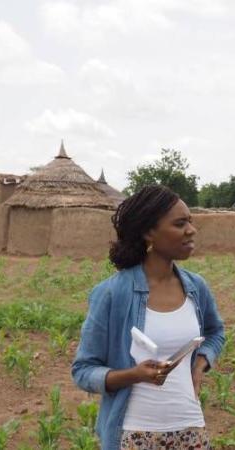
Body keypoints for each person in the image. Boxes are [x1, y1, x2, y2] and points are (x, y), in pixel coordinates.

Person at [72, 185, 225, 450]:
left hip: (191, 430)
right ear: (148, 233)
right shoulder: (112, 293)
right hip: (135, 435)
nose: (191, 230)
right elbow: (83, 371)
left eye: (190, 221)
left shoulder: (195, 287)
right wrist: (135, 374)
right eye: (180, 224)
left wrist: (199, 366)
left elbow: (214, 333)